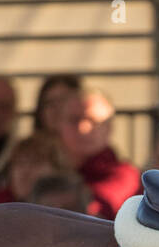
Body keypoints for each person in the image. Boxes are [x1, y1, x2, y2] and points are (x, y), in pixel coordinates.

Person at [54, 88, 141, 220]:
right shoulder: (46, 169)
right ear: (59, 125)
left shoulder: (125, 175)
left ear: (109, 128)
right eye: (74, 120)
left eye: (93, 121)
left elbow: (90, 212)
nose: (83, 128)